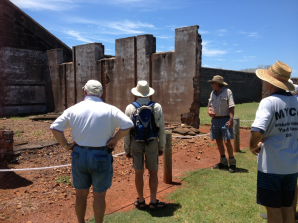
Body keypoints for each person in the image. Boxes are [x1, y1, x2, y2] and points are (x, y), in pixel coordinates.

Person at [50, 80, 133, 223]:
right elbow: (128, 124)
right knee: (99, 196)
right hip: (101, 154)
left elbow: (55, 127)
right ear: (101, 92)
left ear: (85, 92)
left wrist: (66, 145)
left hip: (79, 154)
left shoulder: (73, 109)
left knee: (80, 195)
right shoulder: (111, 109)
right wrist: (115, 139)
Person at [250, 61, 298, 223]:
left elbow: (257, 130)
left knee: (273, 208)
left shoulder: (269, 102)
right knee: (287, 206)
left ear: (270, 82)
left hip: (271, 165)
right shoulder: (296, 102)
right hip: (291, 164)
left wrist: (252, 146)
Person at [123, 80, 167, 211]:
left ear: (137, 92)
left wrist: (126, 148)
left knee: (138, 172)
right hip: (152, 141)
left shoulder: (130, 108)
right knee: (153, 172)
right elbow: (162, 129)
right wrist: (161, 146)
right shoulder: (157, 106)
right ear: (149, 92)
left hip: (136, 142)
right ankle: (153, 201)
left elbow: (126, 131)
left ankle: (141, 200)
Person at [207, 75, 236, 173]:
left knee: (227, 141)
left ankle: (232, 163)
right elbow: (209, 105)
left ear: (217, 84)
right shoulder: (212, 93)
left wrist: (231, 119)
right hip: (215, 120)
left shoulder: (227, 92)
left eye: (212, 83)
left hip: (225, 119)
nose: (211, 84)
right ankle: (223, 162)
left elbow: (231, 106)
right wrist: (209, 111)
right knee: (218, 140)